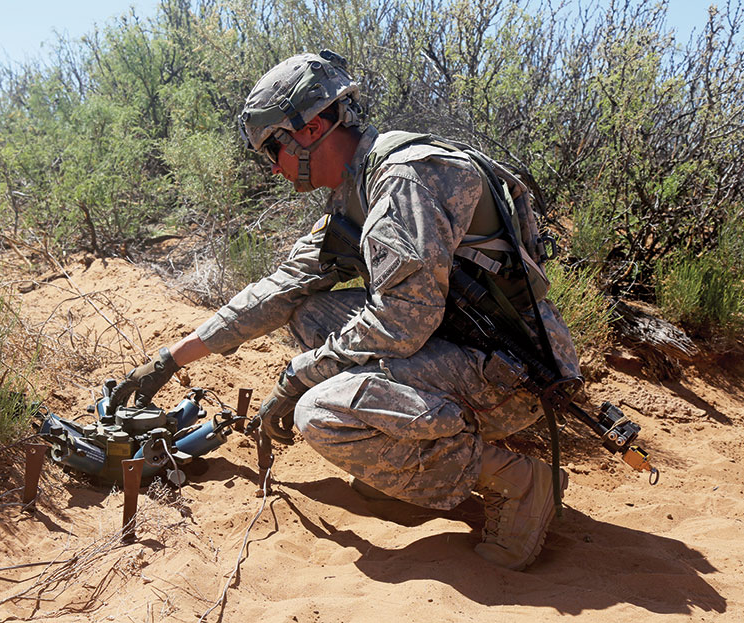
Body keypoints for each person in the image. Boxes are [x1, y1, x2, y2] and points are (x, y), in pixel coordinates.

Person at [113, 50, 581, 571]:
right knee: (308, 311)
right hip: (461, 344)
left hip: (512, 372)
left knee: (322, 412)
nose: (272, 167)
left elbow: (401, 323)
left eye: (274, 148)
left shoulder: (403, 181)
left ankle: (519, 482)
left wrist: (298, 377)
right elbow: (284, 287)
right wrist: (173, 357)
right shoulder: (357, 189)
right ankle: (402, 453)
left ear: (311, 127)